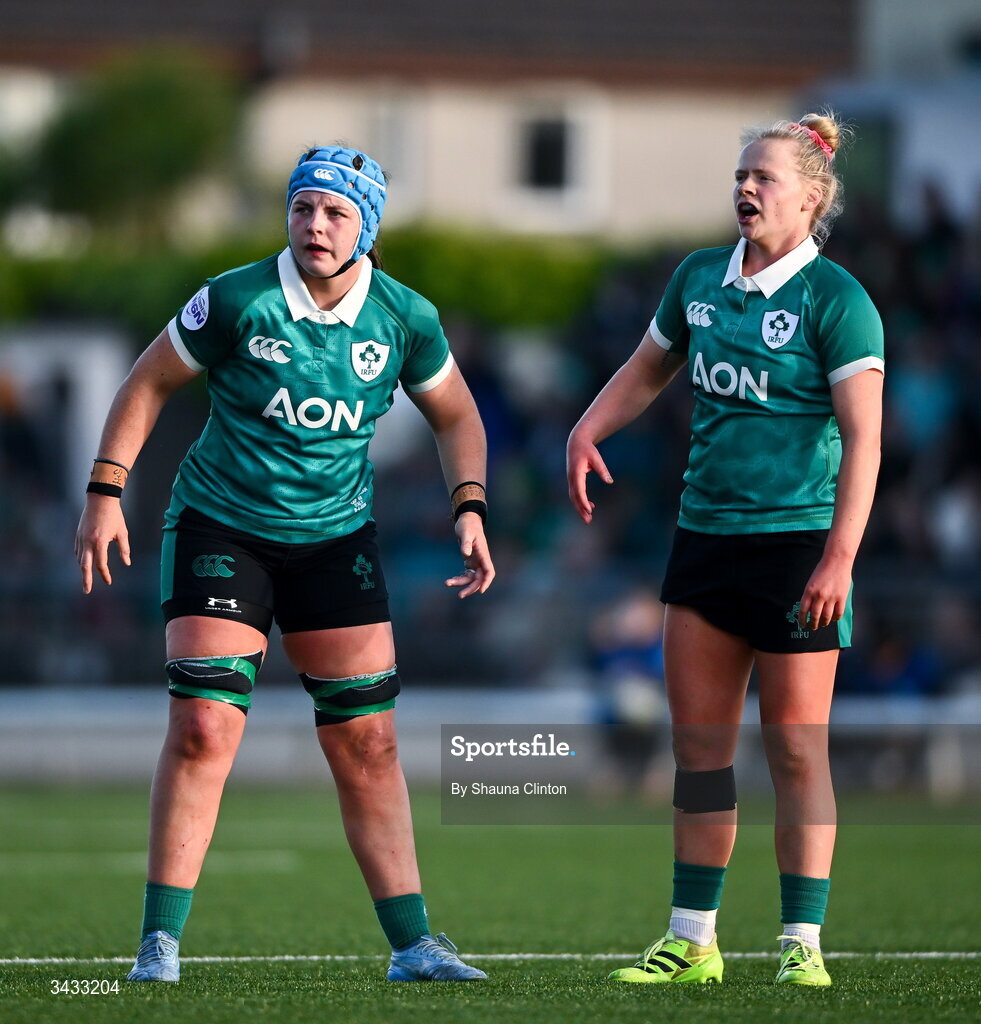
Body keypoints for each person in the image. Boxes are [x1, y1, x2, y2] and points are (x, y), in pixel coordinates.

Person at [75, 145, 495, 983]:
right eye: (302, 207)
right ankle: (159, 945)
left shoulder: (405, 318)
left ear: (367, 227)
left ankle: (414, 946)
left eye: (336, 212)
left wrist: (470, 506)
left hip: (335, 540)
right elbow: (147, 383)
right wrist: (104, 492)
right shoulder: (235, 298)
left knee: (367, 742)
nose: (314, 224)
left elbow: (456, 416)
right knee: (202, 728)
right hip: (219, 528)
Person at [567, 113, 883, 987]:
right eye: (740, 175)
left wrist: (838, 559)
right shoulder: (699, 278)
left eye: (764, 178)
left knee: (793, 749)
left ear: (811, 201)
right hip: (704, 541)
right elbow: (647, 366)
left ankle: (800, 946)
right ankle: (691, 939)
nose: (745, 189)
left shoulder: (838, 302)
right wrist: (587, 426)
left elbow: (864, 441)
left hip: (796, 550)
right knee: (699, 747)